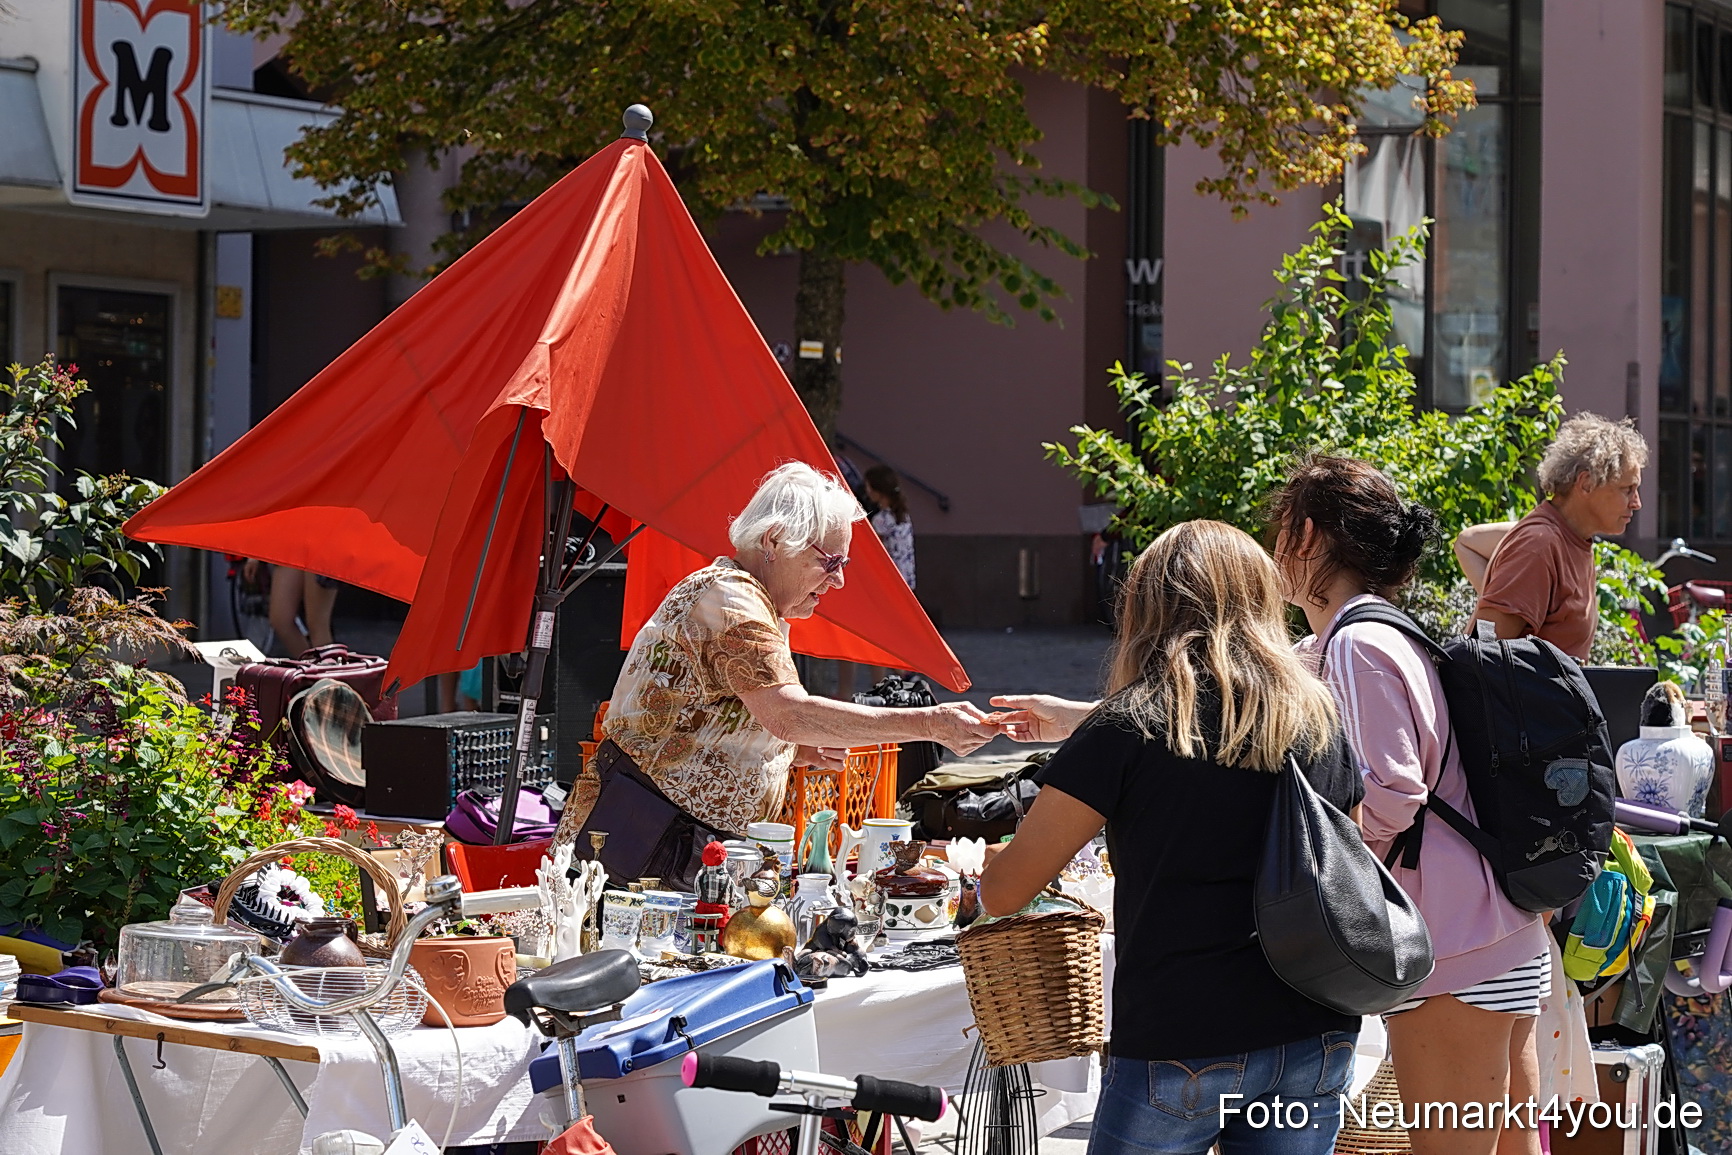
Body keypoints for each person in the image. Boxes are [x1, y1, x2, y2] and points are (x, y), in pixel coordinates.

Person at [980, 521, 1363, 1155]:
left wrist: (998, 861)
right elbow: (1345, 865)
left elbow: (1004, 893)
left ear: (1145, 607)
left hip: (1183, 1035)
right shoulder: (1317, 719)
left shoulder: (1128, 726)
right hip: (1312, 1031)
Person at [1272, 456, 1549, 1155]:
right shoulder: (1376, 631)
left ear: (1305, 536)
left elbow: (1392, 795)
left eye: (1279, 531)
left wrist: (1320, 871)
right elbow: (1238, 692)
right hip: (1500, 934)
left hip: (1453, 950)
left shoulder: (1360, 644)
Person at [555, 462, 996, 845]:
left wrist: (788, 749)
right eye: (830, 562)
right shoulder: (731, 601)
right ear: (774, 540)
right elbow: (786, 712)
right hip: (636, 838)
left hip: (662, 836)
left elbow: (733, 714)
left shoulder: (752, 601)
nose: (837, 581)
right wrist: (928, 724)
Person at [1471, 412, 1648, 660]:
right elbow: (1482, 654)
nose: (1636, 503)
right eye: (1627, 490)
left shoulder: (1571, 539)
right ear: (1586, 483)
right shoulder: (1539, 545)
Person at [241, 561, 338, 657]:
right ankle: (311, 664)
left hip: (320, 551)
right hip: (291, 550)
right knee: (280, 620)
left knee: (317, 626)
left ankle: (326, 668)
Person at [864, 465, 915, 590]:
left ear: (877, 490)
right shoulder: (903, 515)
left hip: (891, 580)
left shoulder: (881, 519)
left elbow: (872, 549)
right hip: (907, 577)